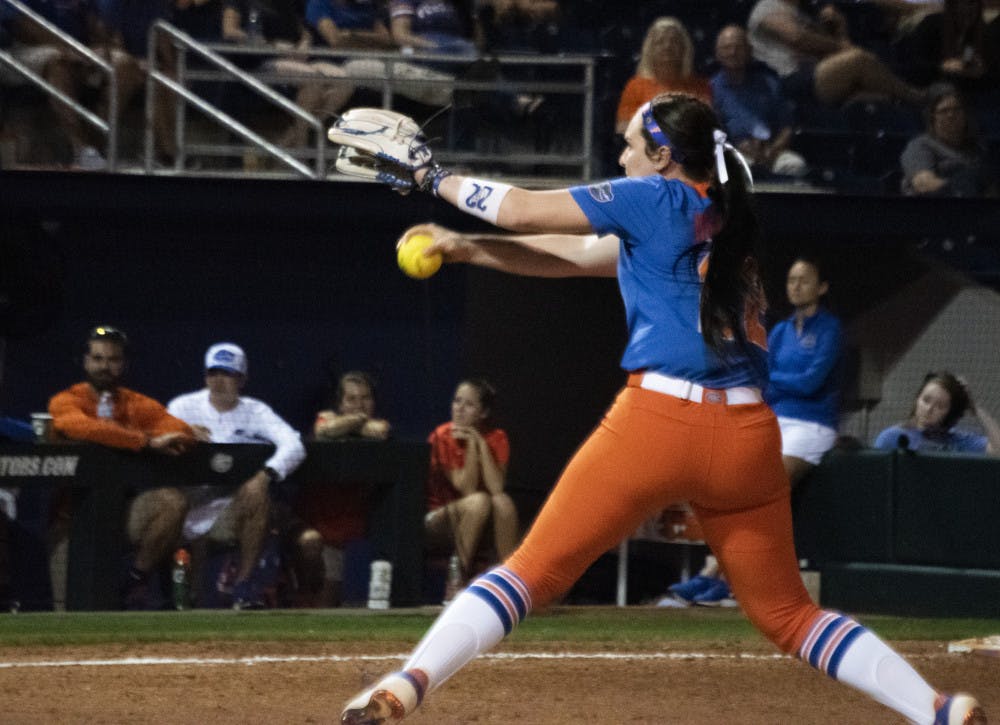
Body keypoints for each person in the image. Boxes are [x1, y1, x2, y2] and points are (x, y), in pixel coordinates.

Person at [337, 93, 986, 724]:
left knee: (531, 571)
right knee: (791, 616)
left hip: (661, 420)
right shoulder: (724, 223)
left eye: (630, 146)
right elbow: (577, 257)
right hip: (748, 438)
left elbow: (523, 208)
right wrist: (466, 246)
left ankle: (407, 683)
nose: (621, 157)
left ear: (665, 155)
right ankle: (936, 707)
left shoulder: (656, 197)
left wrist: (431, 174)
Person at [48, 326, 196, 610]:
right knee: (67, 613)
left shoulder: (133, 403)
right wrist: (143, 440)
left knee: (172, 501)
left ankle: (133, 580)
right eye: (98, 358)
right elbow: (79, 427)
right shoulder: (67, 400)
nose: (105, 366)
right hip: (72, 521)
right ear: (86, 361)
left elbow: (181, 432)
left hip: (122, 515)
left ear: (124, 364)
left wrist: (162, 436)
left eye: (113, 360)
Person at [166, 342, 313, 608]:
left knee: (259, 495)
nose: (219, 381)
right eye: (213, 373)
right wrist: (181, 431)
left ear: (241, 379)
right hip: (185, 505)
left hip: (228, 510)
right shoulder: (183, 407)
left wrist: (264, 476)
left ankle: (245, 589)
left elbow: (294, 445)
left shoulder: (254, 411)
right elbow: (156, 440)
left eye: (227, 374)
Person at [295, 370, 390, 606]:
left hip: (357, 536)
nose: (360, 405)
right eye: (352, 399)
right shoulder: (325, 419)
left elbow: (380, 431)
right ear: (339, 403)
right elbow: (324, 430)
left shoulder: (379, 426)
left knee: (353, 604)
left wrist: (348, 424)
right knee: (324, 602)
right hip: (322, 528)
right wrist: (357, 422)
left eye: (365, 398)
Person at [424, 378, 518, 586]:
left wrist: (478, 443)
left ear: (483, 413)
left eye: (469, 404)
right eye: (457, 401)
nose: (459, 409)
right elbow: (466, 488)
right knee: (478, 501)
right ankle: (456, 578)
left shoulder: (497, 438)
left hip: (480, 518)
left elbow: (497, 488)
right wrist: (473, 448)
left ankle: (509, 580)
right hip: (437, 519)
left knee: (503, 503)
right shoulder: (442, 436)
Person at [747, 0, 927, 108]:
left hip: (818, 74)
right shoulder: (767, 6)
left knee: (880, 97)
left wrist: (840, 28)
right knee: (858, 59)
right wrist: (840, 45)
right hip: (788, 80)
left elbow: (840, 48)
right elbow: (797, 38)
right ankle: (917, 97)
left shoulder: (806, 14)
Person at [766, 257, 842, 485]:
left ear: (822, 287)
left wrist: (773, 378)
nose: (796, 286)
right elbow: (762, 381)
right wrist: (774, 381)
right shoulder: (779, 331)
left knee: (770, 485)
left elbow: (810, 383)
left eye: (804, 281)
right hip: (773, 418)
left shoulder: (830, 329)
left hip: (811, 423)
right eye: (791, 280)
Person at [710, 24, 808, 178]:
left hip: (772, 151)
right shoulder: (711, 90)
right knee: (732, 169)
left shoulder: (769, 84)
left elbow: (787, 126)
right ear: (718, 54)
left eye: (738, 47)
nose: (733, 52)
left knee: (796, 166)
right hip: (735, 153)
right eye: (727, 48)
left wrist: (773, 150)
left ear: (749, 51)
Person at [615, 17, 711, 134]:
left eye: (673, 41)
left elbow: (708, 125)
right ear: (650, 49)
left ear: (684, 48)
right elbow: (622, 127)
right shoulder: (635, 87)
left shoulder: (700, 86)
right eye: (660, 42)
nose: (667, 46)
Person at [900, 82, 997, 196]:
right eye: (944, 111)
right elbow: (923, 184)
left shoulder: (977, 147)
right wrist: (959, 189)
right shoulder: (920, 146)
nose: (951, 115)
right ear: (932, 117)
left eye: (956, 110)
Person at [874, 370, 1000, 453]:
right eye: (926, 400)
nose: (929, 409)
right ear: (917, 399)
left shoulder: (959, 441)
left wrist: (975, 408)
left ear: (950, 413)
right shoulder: (892, 437)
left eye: (940, 406)